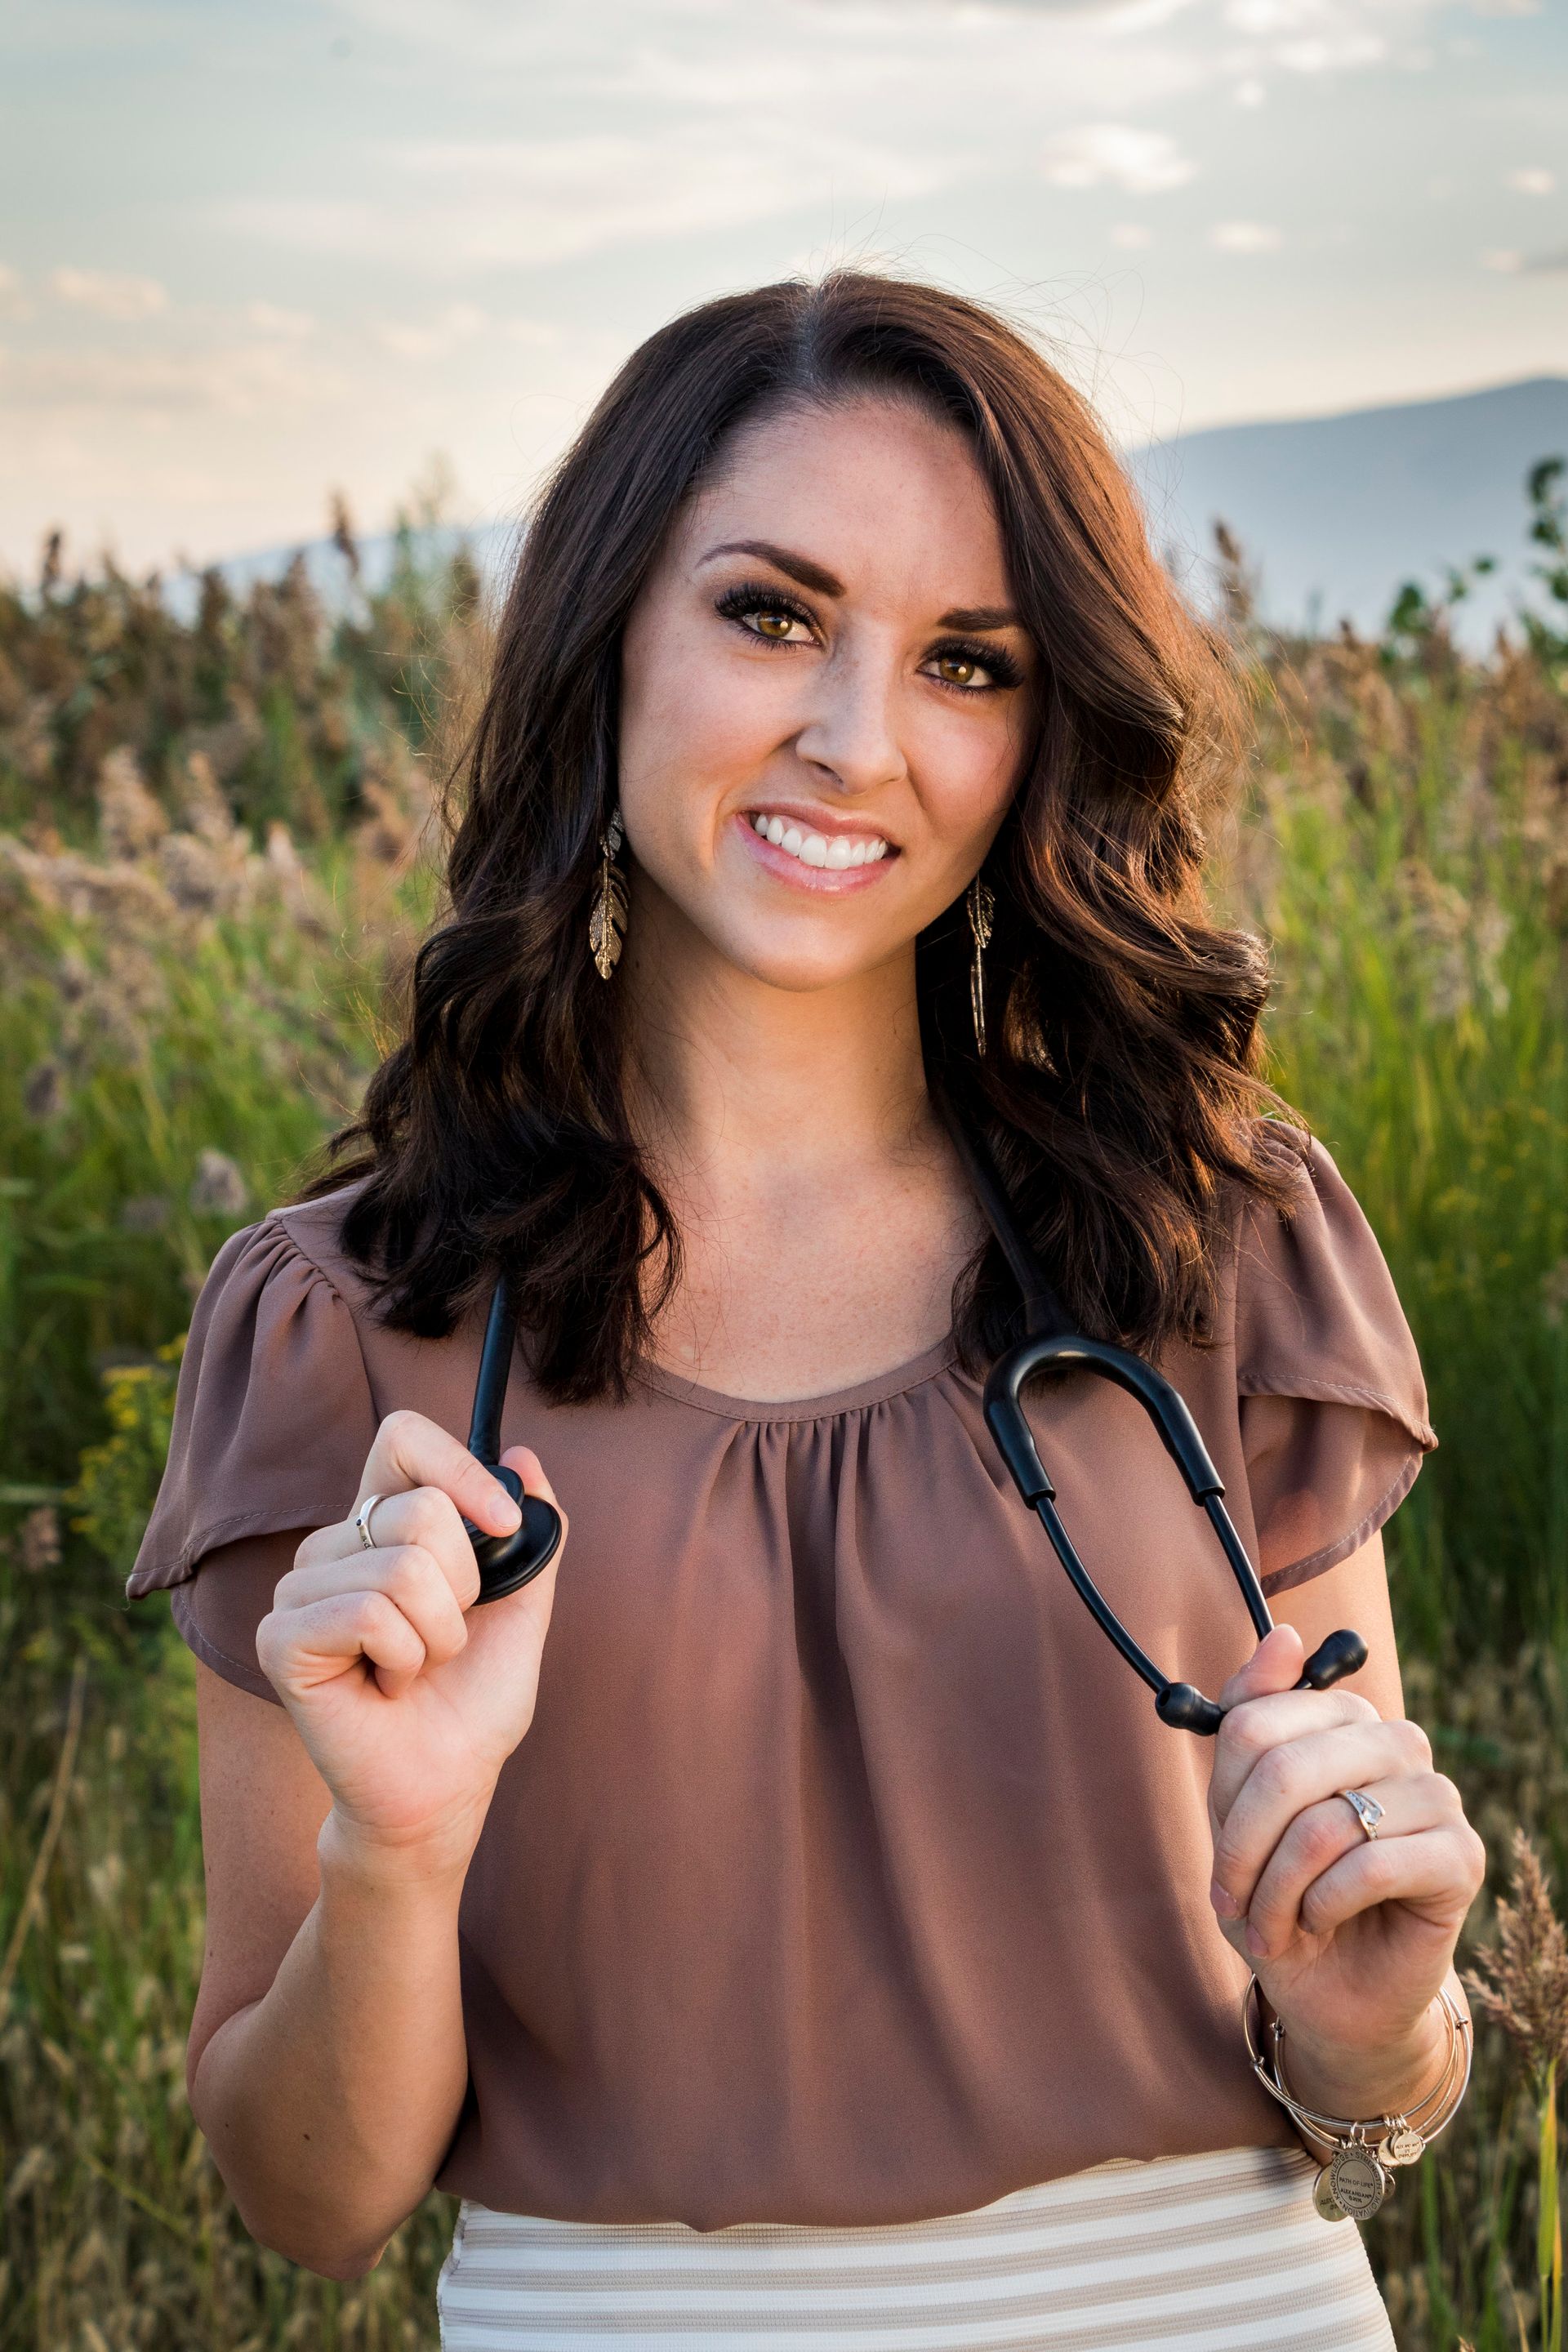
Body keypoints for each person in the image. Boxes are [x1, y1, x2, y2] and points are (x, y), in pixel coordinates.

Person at [128, 269, 1486, 2350]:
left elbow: (1373, 2083)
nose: (859, 741)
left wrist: (1381, 2026)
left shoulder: (1211, 1244)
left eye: (967, 661)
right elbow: (310, 2202)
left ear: (1040, 728)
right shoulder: (346, 1332)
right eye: (771, 615)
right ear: (607, 635)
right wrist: (396, 1851)